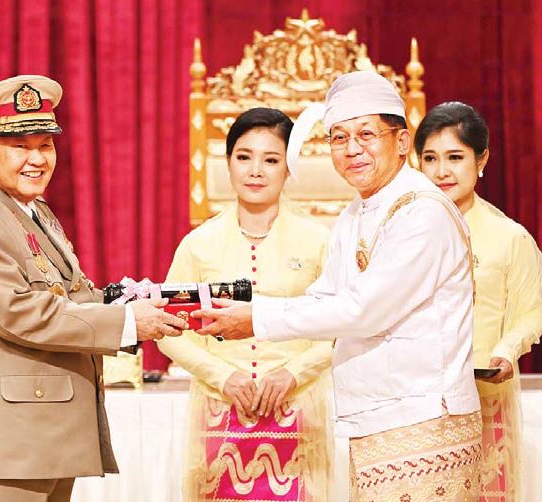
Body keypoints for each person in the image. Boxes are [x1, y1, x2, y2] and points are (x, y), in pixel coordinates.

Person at [193, 71, 484, 502]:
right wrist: (246, 311)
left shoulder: (422, 212)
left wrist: (256, 319)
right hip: (379, 417)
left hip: (425, 418)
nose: (352, 149)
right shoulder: (357, 212)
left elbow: (364, 310)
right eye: (339, 138)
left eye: (366, 134)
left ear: (402, 142)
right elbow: (326, 297)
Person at [0, 75, 188, 502]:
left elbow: (67, 296)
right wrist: (126, 322)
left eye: (45, 145)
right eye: (20, 146)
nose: (37, 159)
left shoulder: (30, 209)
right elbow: (21, 313)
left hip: (36, 441)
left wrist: (131, 301)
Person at [158, 107, 333, 501]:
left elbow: (341, 329)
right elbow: (169, 330)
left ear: (288, 168)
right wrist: (222, 376)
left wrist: (294, 373)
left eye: (270, 160)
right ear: (228, 163)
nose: (255, 171)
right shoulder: (198, 244)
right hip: (220, 413)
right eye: (243, 157)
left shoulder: (318, 241)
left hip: (298, 412)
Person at [415, 101, 542, 501]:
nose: (442, 171)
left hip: (483, 394)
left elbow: (532, 311)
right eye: (430, 158)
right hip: (412, 399)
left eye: (455, 157)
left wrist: (507, 350)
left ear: (481, 159)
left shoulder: (509, 237)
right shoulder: (399, 234)